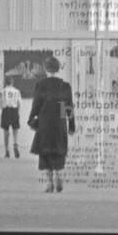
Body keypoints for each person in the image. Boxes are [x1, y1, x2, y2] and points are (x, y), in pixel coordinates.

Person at [27, 56, 75, 193]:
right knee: (59, 150)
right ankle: (58, 175)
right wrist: (71, 125)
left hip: (45, 122)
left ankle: (49, 183)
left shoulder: (41, 85)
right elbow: (68, 107)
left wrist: (31, 118)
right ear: (58, 68)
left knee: (45, 152)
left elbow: (36, 105)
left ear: (46, 69)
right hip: (59, 122)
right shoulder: (65, 86)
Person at [0, 78, 22, 158]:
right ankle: (15, 144)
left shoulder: (2, 91)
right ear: (12, 82)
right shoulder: (17, 91)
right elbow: (19, 103)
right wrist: (17, 111)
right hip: (14, 110)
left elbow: (1, 105)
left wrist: (3, 106)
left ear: (5, 83)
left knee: (6, 131)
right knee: (15, 130)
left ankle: (7, 150)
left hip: (6, 111)